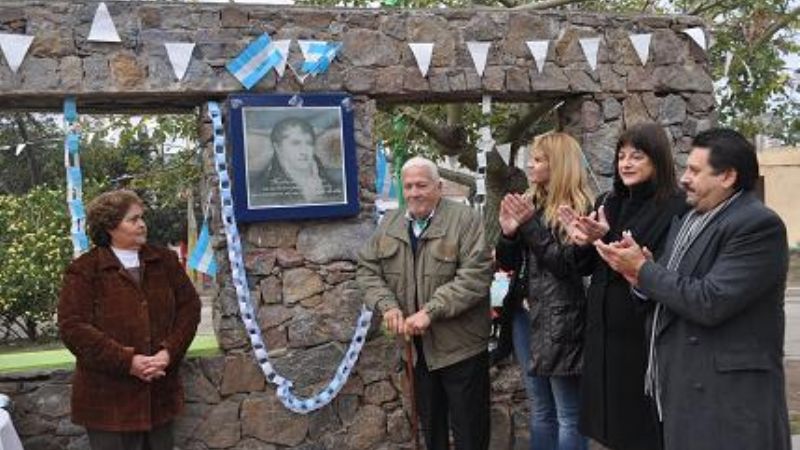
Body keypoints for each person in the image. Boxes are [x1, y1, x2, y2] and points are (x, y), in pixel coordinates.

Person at [593, 128, 790, 450]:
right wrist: (638, 277)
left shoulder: (757, 225)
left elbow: (710, 301)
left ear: (727, 176)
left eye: (695, 171)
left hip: (729, 404)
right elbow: (669, 288)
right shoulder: (690, 220)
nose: (684, 179)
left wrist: (644, 271)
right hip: (681, 392)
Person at [557, 122, 689, 450]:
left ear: (658, 160)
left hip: (642, 333)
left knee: (641, 427)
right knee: (607, 427)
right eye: (621, 156)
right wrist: (582, 242)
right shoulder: (609, 201)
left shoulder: (676, 206)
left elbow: (654, 265)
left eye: (637, 156)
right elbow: (584, 266)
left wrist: (604, 239)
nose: (626, 163)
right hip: (602, 332)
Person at [357, 156, 493, 450]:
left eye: (422, 185)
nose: (414, 193)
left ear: (439, 186)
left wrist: (431, 311)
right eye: (408, 186)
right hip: (417, 351)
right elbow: (367, 268)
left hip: (461, 349)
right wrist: (387, 305)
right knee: (432, 431)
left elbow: (476, 277)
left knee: (471, 432)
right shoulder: (390, 223)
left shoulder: (465, 220)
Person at [58, 190, 201, 450]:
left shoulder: (164, 261)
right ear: (110, 227)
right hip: (108, 403)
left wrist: (169, 352)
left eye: (142, 217)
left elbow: (189, 308)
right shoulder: (84, 270)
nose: (142, 224)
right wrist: (128, 361)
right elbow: (73, 327)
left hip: (159, 395)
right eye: (133, 219)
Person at [495, 132, 593, 450]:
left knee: (568, 413)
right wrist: (509, 235)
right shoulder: (530, 201)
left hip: (561, 318)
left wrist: (529, 225)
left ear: (559, 164)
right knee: (539, 408)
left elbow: (566, 265)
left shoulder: (579, 207)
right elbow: (508, 263)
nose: (530, 165)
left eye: (538, 159)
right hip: (525, 314)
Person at [249, 117, 343, 206]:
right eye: (295, 143)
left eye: (309, 143)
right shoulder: (264, 189)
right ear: (277, 147)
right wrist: (307, 199)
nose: (304, 151)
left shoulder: (329, 183)